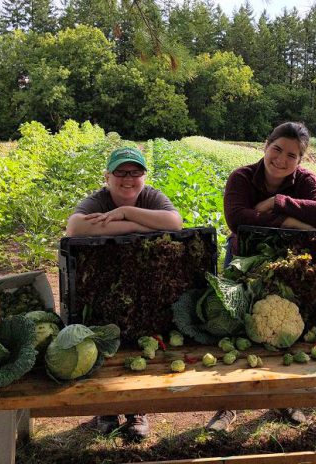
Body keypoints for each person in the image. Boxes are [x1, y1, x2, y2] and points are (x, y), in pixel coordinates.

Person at [206, 121, 316, 432]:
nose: (281, 159)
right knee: (238, 328)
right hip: (243, 259)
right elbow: (238, 220)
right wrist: (292, 222)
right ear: (266, 145)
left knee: (285, 329)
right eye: (277, 149)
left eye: (292, 155)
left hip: (288, 263)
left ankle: (284, 399)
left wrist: (279, 203)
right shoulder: (242, 177)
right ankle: (228, 406)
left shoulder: (306, 180)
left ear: (300, 160)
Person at [66, 146, 183, 440]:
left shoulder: (151, 196)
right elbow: (75, 228)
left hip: (143, 280)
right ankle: (106, 409)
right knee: (104, 343)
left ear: (144, 176)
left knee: (139, 343)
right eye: (120, 172)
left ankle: (136, 410)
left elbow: (175, 223)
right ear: (107, 176)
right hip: (101, 282)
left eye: (135, 172)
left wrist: (125, 214)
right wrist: (137, 227)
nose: (128, 179)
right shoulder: (98, 199)